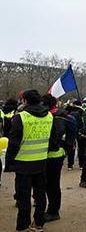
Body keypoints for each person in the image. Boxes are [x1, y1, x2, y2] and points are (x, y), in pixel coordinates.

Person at [4, 90, 55, 232]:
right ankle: (39, 223)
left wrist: (9, 163)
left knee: (23, 197)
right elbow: (53, 139)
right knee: (40, 195)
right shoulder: (49, 116)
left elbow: (13, 144)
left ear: (25, 101)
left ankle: (22, 225)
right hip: (41, 161)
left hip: (23, 163)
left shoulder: (21, 117)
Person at [41, 94, 70, 223]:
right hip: (53, 154)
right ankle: (51, 209)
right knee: (49, 184)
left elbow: (55, 138)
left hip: (54, 155)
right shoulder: (56, 116)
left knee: (52, 185)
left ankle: (53, 211)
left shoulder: (56, 117)